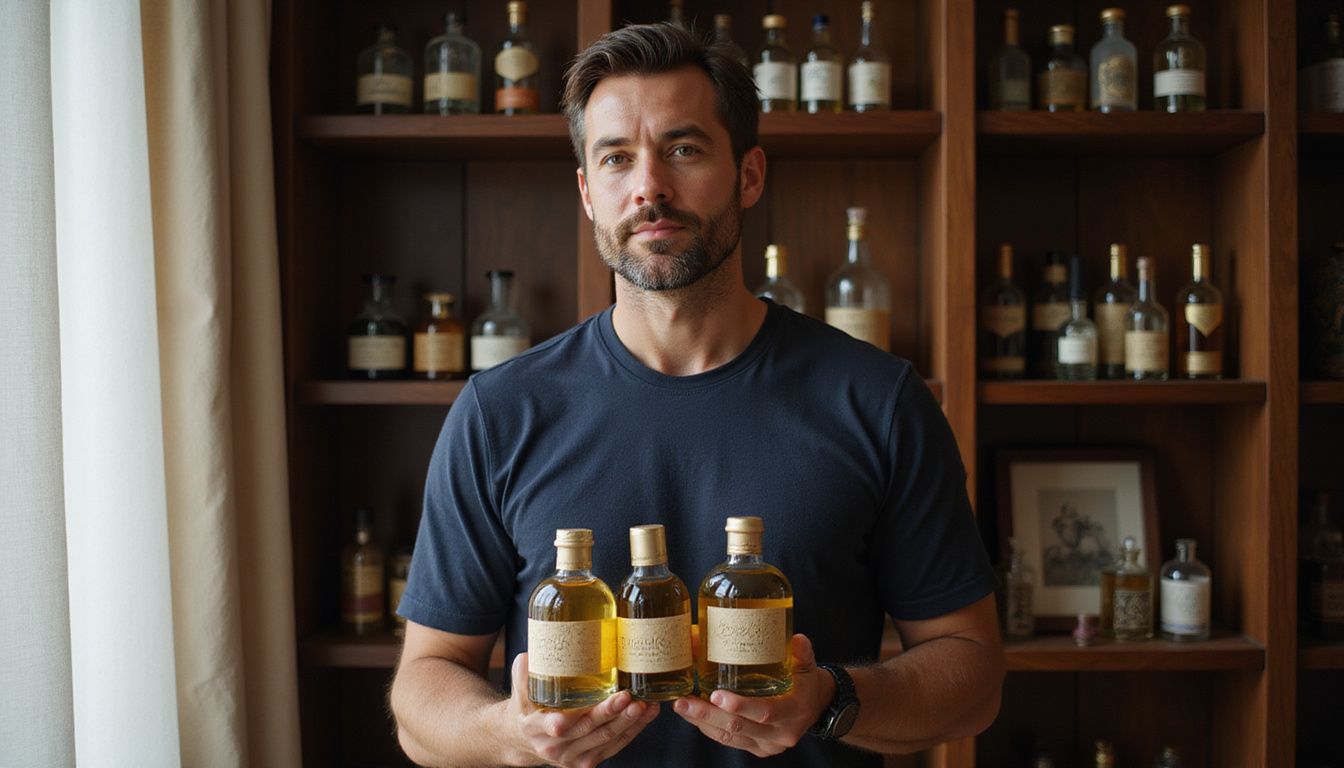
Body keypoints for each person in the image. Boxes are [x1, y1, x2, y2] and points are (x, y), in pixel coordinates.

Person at [389, 22, 1004, 768]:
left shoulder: (877, 399)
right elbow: (423, 685)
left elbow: (971, 674)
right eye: (616, 158)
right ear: (587, 192)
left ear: (748, 174)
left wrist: (830, 699)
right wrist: (509, 735)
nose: (649, 186)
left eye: (683, 149)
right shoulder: (499, 413)